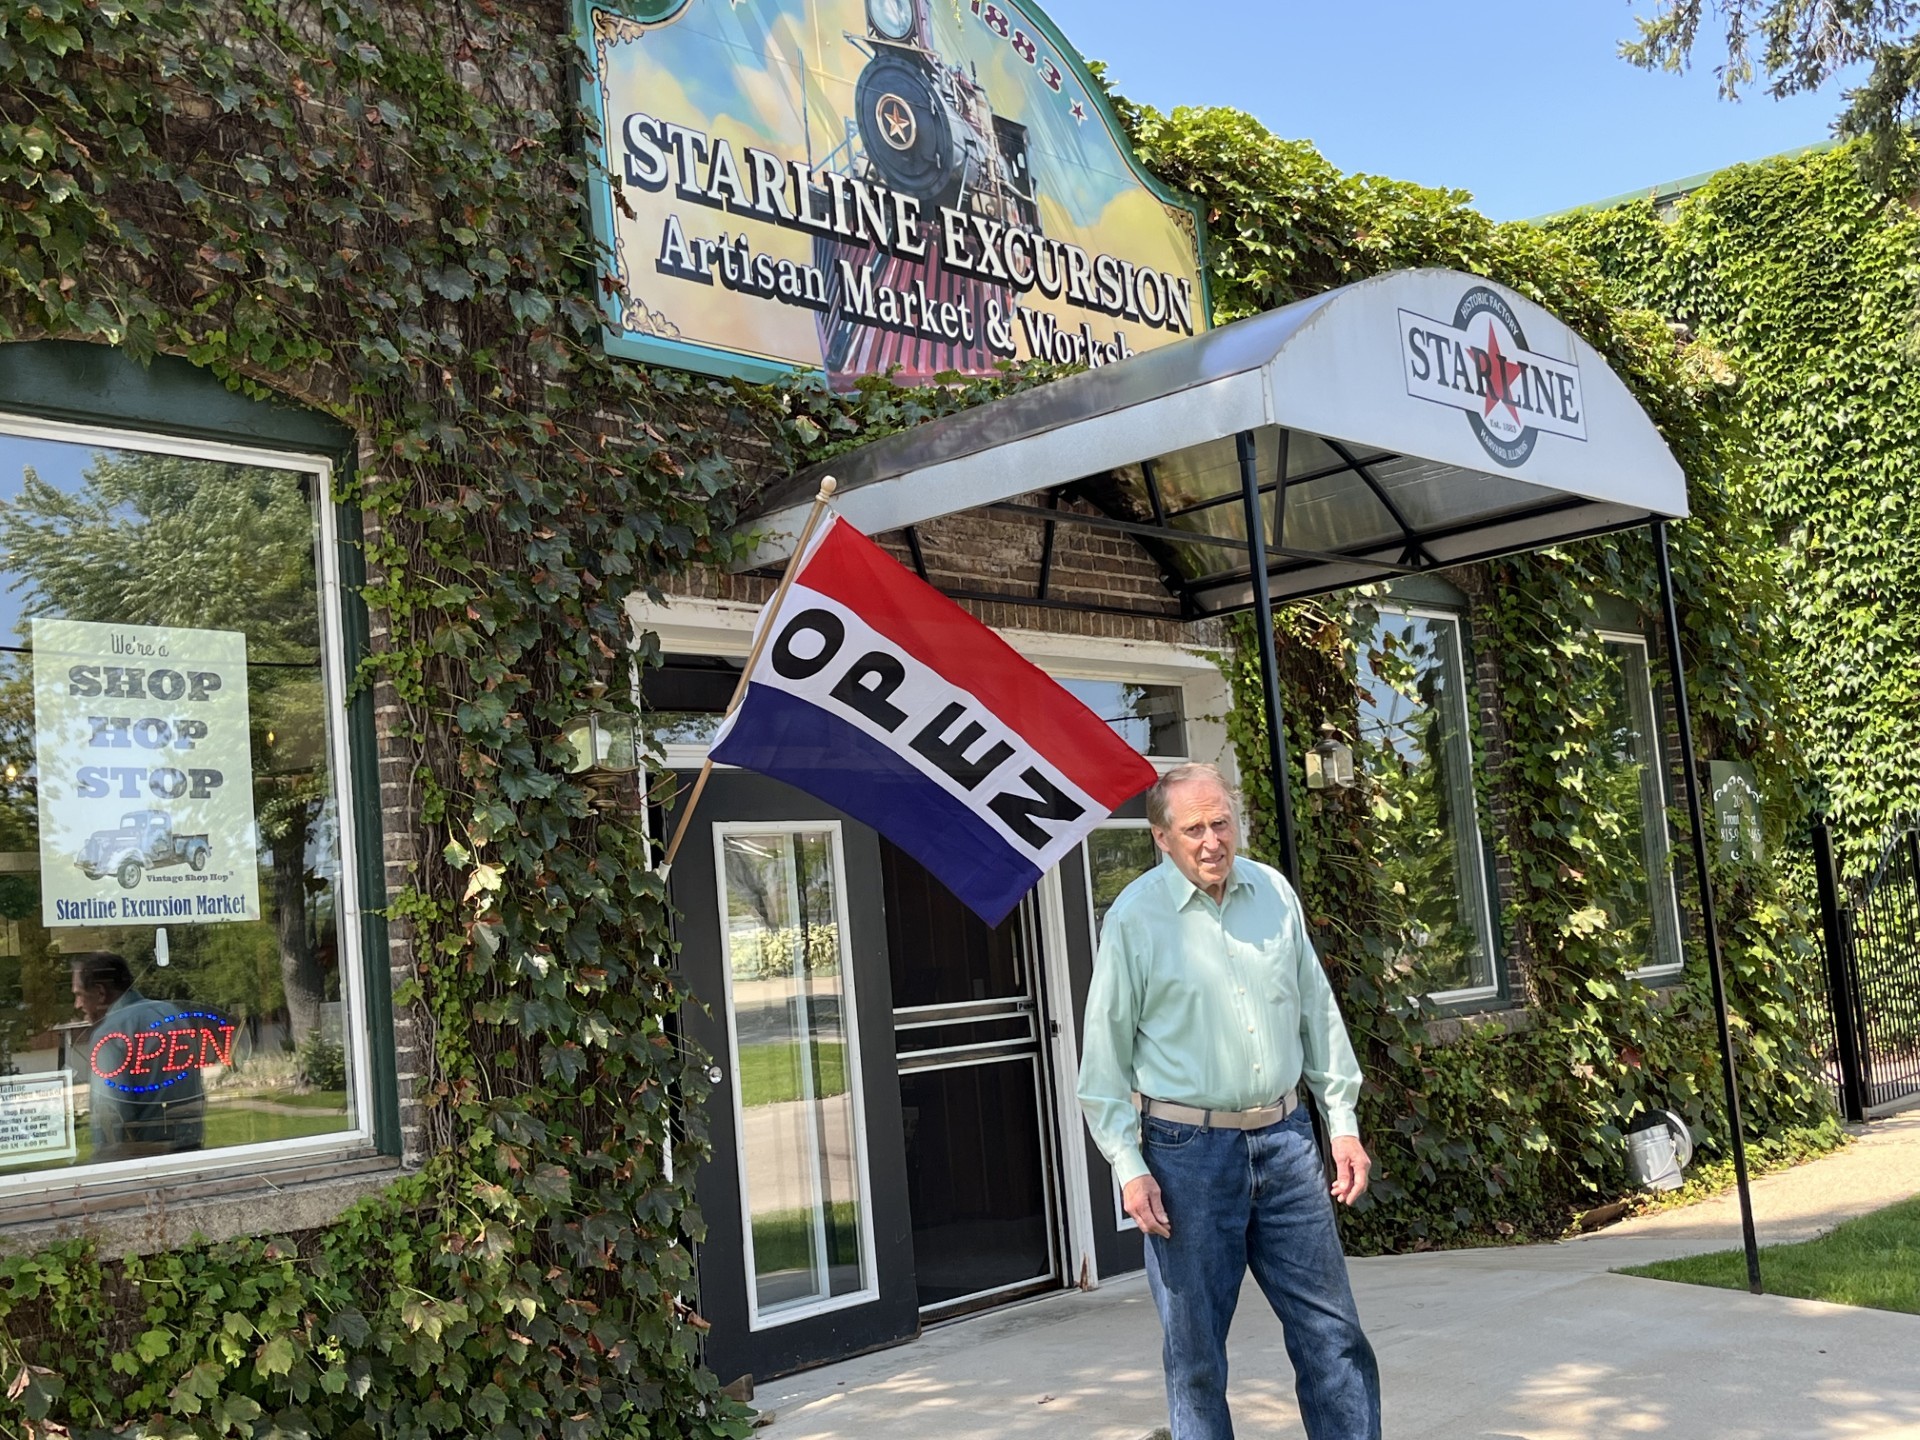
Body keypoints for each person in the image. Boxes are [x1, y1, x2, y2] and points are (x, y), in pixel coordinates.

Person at [1077, 763, 1381, 1440]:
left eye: (1222, 823)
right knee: (1195, 1361)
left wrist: (1344, 1124)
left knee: (1334, 1340)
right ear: (1161, 838)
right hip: (1186, 1157)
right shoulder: (1134, 919)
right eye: (1193, 829)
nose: (1212, 841)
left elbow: (1317, 1015)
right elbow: (1103, 1062)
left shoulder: (1273, 893)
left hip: (1288, 1141)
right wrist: (1128, 1164)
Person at [70, 951, 206, 1161]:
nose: (77, 1005)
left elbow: (110, 1118)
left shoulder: (110, 1034)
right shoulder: (174, 1014)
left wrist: (100, 1169)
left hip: (144, 1167)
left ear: (100, 993)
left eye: (79, 994)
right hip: (191, 1156)